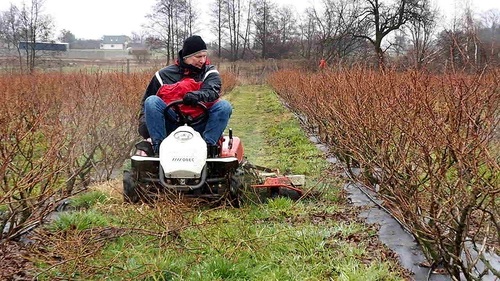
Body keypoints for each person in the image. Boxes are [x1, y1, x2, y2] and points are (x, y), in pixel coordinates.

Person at [137, 35, 232, 157]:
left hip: (200, 123)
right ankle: (159, 149)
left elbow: (212, 91)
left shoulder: (210, 73)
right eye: (198, 57)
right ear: (186, 57)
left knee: (224, 106)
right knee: (151, 101)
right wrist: (145, 126)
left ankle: (208, 149)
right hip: (172, 123)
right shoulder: (162, 76)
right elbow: (145, 104)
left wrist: (197, 95)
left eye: (204, 56)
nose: (202, 60)